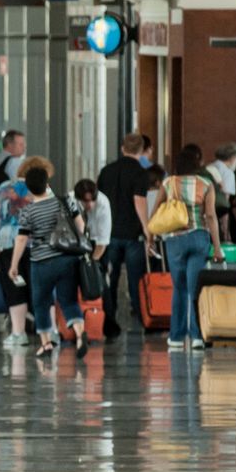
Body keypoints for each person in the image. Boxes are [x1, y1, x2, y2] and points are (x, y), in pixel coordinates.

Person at [8, 166, 89, 359]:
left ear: (28, 188)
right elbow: (80, 226)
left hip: (41, 263)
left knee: (41, 303)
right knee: (68, 300)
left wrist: (14, 265)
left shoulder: (28, 211)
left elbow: (21, 239)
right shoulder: (65, 201)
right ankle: (79, 333)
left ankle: (46, 344)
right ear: (47, 183)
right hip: (68, 259)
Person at [0, 155, 53, 351]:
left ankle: (18, 333)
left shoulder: (5, 188)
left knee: (15, 287)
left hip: (8, 244)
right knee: (42, 289)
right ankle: (49, 332)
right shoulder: (45, 190)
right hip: (38, 245)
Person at [158, 145, 220, 351]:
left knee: (179, 287)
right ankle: (196, 337)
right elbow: (210, 216)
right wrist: (217, 248)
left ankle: (176, 337)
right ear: (197, 165)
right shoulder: (206, 183)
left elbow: (157, 210)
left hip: (175, 239)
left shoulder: (168, 183)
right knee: (196, 289)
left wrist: (150, 237)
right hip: (199, 237)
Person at [95, 134, 153, 340]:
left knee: (110, 277)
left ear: (122, 148)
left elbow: (97, 202)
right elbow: (139, 202)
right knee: (136, 279)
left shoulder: (106, 171)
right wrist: (147, 230)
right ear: (143, 150)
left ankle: (108, 318)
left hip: (108, 234)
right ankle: (142, 318)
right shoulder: (140, 172)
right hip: (132, 234)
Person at [208, 142, 236, 244]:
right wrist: (226, 232)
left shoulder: (210, 167)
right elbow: (224, 203)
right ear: (233, 157)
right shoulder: (228, 173)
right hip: (217, 213)